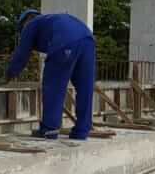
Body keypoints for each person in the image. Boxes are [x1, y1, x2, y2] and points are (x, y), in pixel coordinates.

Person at [5, 9, 96, 140]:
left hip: (65, 41)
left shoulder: (30, 25)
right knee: (85, 88)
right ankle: (82, 131)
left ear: (24, 22)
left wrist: (10, 73)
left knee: (54, 86)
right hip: (88, 40)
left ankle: (49, 129)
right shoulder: (50, 21)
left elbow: (22, 55)